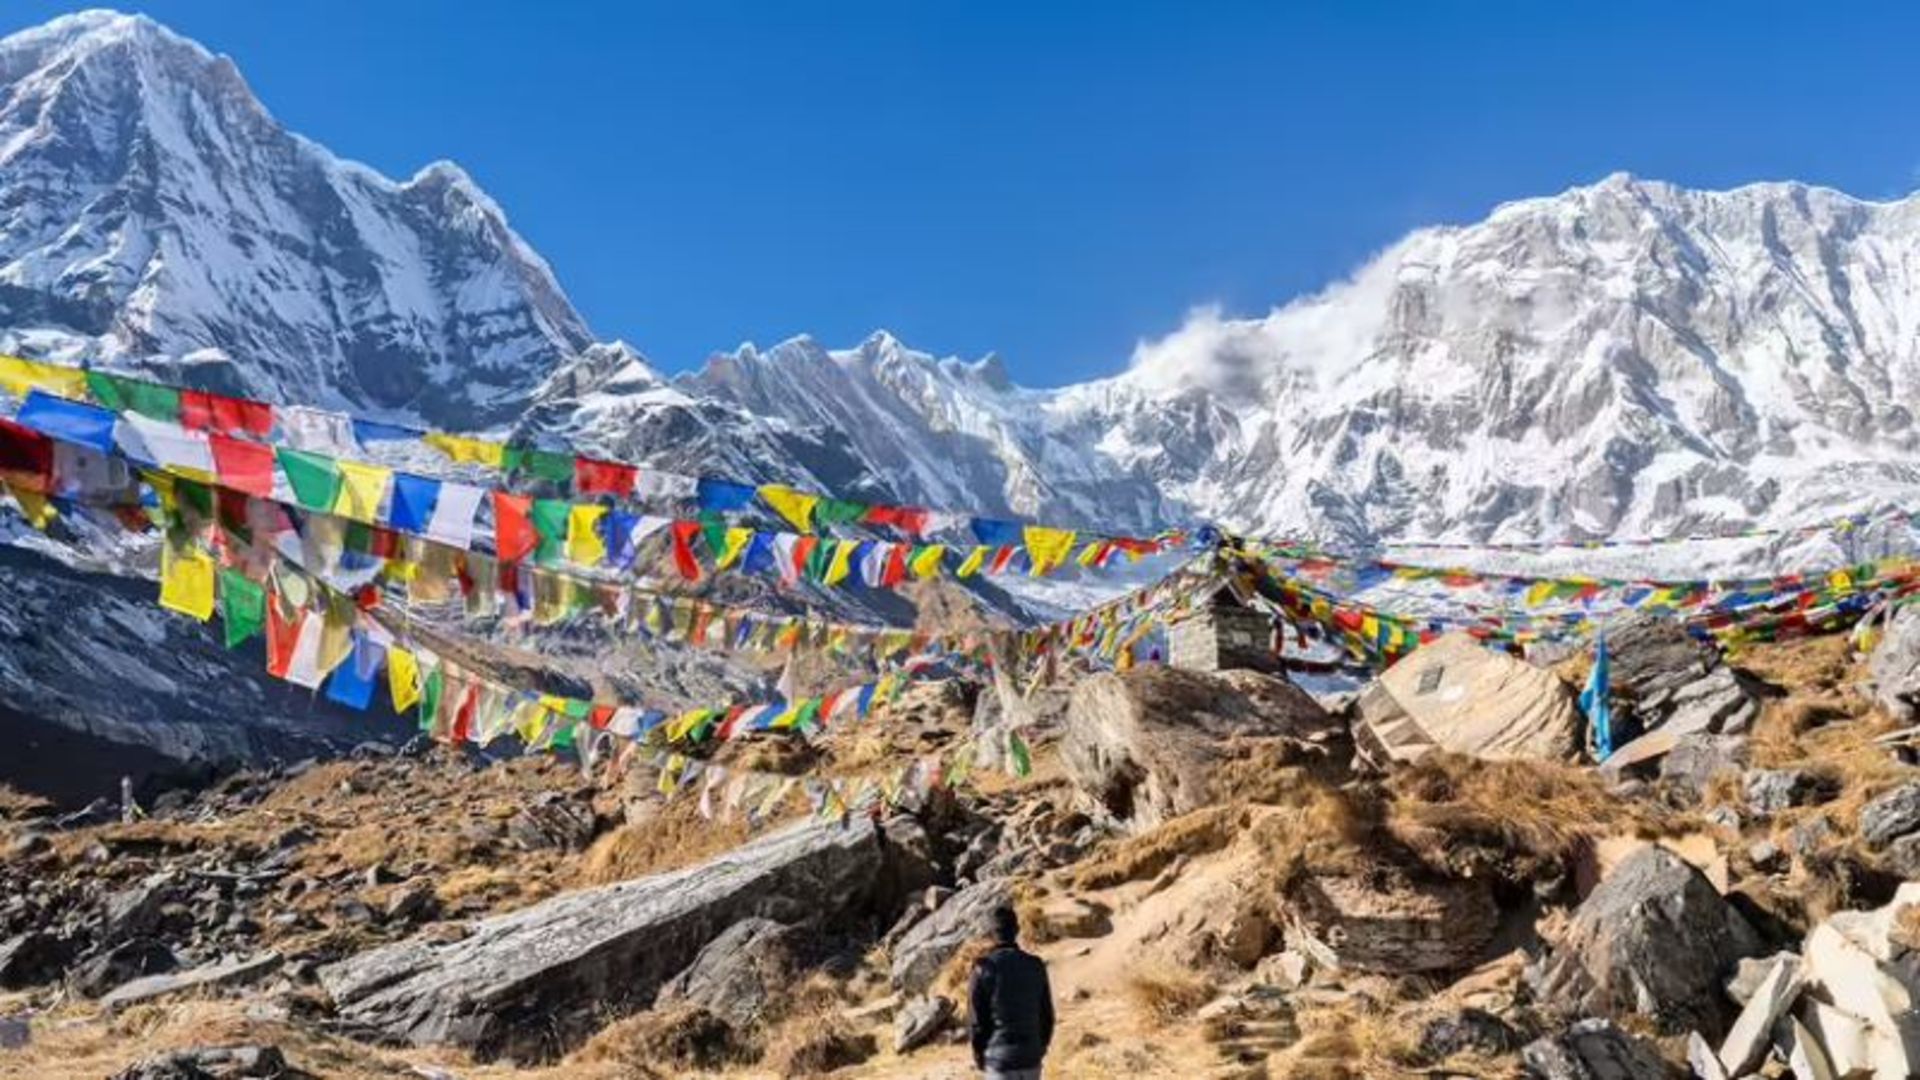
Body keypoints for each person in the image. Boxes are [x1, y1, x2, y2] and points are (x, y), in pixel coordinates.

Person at [969, 904, 1054, 1079]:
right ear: (1017, 929)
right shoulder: (1035, 965)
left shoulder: (982, 968)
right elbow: (1047, 1016)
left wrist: (979, 1057)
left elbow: (977, 1022)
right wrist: (1039, 1049)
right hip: (1030, 1058)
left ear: (991, 934)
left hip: (999, 1060)